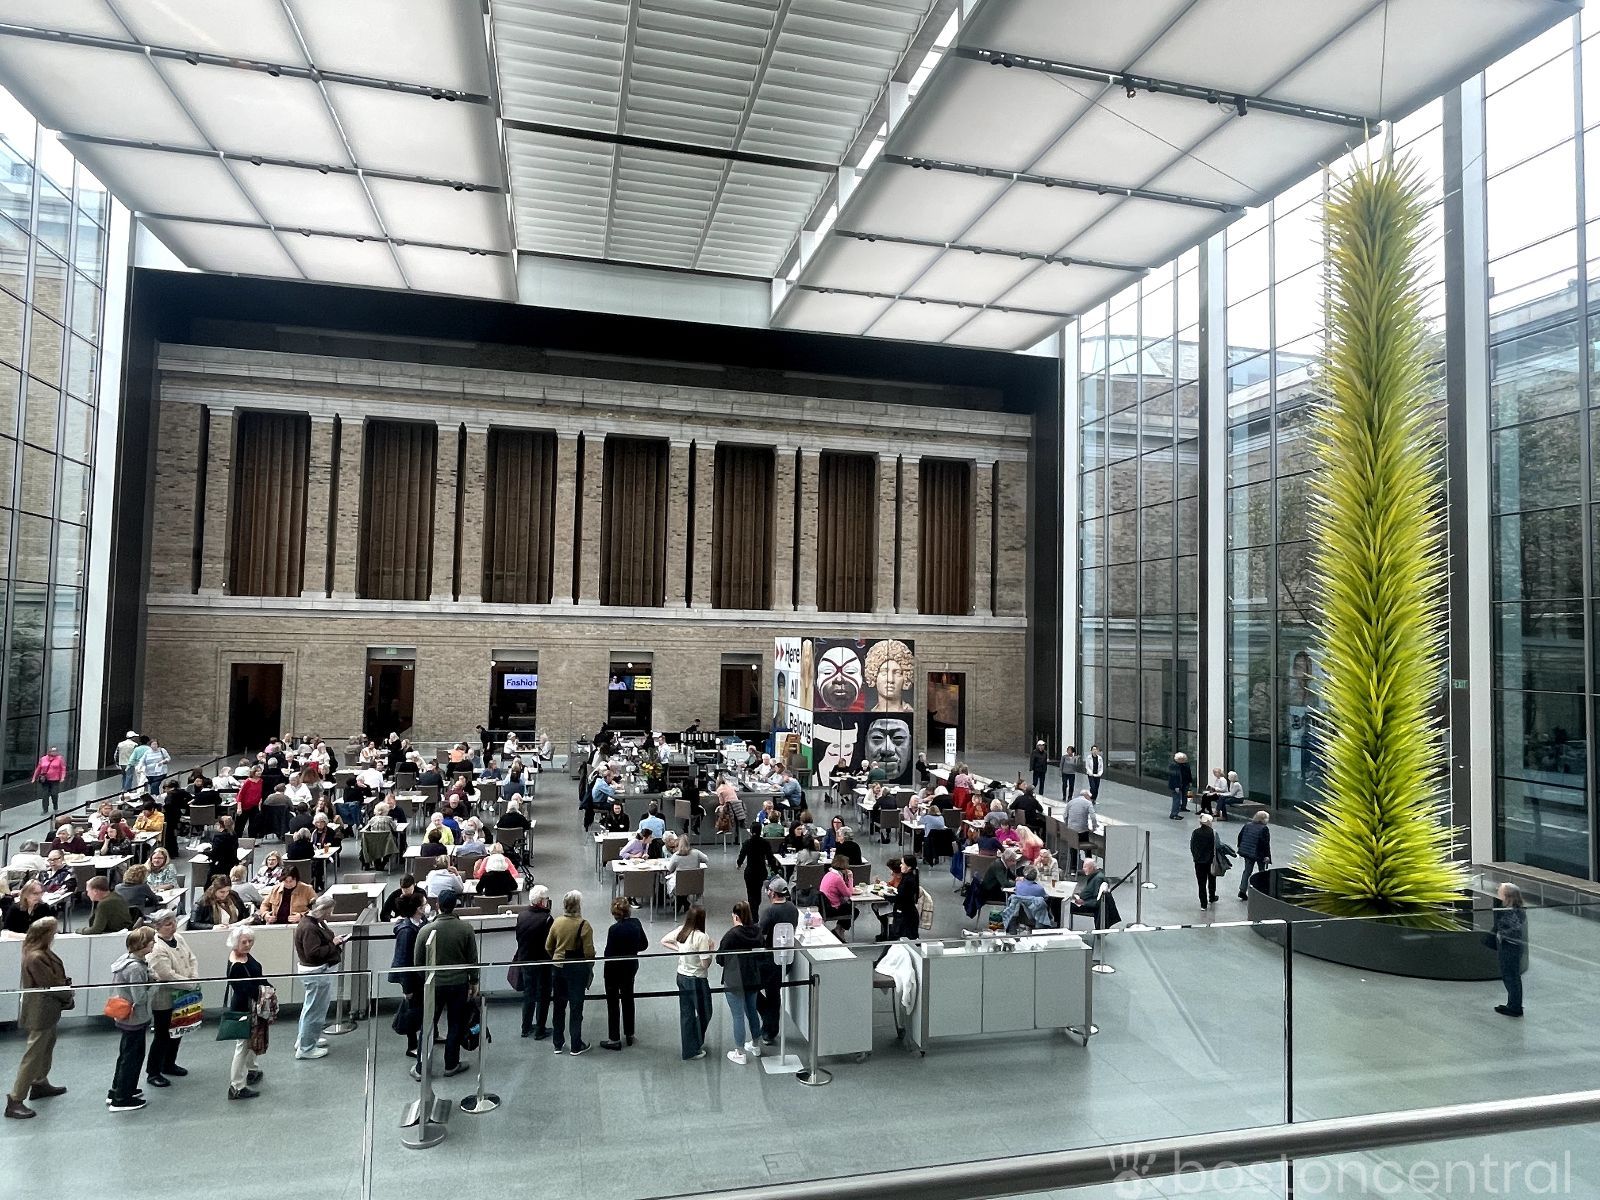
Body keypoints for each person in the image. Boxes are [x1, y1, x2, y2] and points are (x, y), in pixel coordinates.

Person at [5, 917, 71, 1119]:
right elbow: (50, 984)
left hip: (48, 1010)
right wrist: (67, 994)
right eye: (53, 932)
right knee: (33, 1055)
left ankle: (40, 1082)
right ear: (45, 935)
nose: (55, 935)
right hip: (41, 1010)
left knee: (47, 1046)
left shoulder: (39, 952)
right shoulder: (36, 957)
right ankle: (15, 1099)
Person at [415, 892, 479, 1078]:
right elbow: (472, 959)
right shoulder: (466, 929)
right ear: (455, 906)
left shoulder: (425, 930)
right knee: (455, 1024)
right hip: (459, 984)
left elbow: (418, 963)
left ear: (437, 905)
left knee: (428, 1025)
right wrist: (473, 981)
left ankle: (421, 1068)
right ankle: (451, 1064)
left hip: (434, 985)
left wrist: (427, 979)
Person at [145, 911, 198, 1087]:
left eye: (174, 922)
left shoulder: (179, 938)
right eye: (168, 924)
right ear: (157, 927)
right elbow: (166, 975)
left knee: (178, 1030)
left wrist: (193, 976)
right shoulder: (156, 947)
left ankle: (169, 1064)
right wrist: (190, 984)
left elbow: (192, 958)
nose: (173, 926)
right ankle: (153, 1072)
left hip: (183, 994)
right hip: (164, 998)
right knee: (162, 1035)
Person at [107, 926, 157, 1112]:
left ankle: (118, 1089)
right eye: (151, 941)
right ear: (142, 944)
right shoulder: (135, 968)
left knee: (125, 1055)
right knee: (132, 1058)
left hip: (126, 1017)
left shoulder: (126, 961)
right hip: (135, 1018)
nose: (154, 943)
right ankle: (122, 1098)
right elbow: (140, 998)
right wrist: (155, 985)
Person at [292, 893, 347, 1060]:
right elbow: (313, 953)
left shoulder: (313, 922)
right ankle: (306, 1048)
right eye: (329, 912)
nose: (330, 915)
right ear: (322, 910)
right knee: (315, 1011)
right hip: (316, 973)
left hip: (315, 972)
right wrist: (334, 944)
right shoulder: (309, 928)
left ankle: (306, 1039)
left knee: (310, 1008)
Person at [661, 904, 715, 1060]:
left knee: (687, 1014)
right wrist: (711, 950)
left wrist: (679, 949)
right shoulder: (701, 937)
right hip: (697, 979)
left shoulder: (681, 931)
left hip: (682, 976)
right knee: (705, 1012)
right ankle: (695, 1043)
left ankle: (688, 1049)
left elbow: (664, 941)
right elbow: (705, 964)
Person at [545, 890, 595, 1056]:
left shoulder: (557, 922)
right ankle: (576, 1044)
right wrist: (590, 967)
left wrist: (556, 958)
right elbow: (589, 952)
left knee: (559, 1007)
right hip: (576, 970)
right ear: (578, 906)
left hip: (558, 968)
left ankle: (557, 1043)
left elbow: (548, 946)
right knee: (576, 1007)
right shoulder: (584, 925)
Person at [717, 901, 765, 1065]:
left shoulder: (731, 935)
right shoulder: (757, 932)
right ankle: (756, 1045)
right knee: (752, 1011)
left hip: (734, 979)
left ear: (736, 917)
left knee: (738, 1016)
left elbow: (720, 958)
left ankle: (740, 1052)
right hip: (753, 977)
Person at [223, 926, 267, 1101]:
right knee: (242, 1046)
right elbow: (248, 989)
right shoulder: (237, 965)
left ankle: (252, 1070)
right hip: (245, 1008)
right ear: (236, 942)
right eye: (244, 942)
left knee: (248, 1042)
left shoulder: (241, 955)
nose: (248, 944)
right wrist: (266, 992)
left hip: (248, 1006)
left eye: (250, 941)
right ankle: (236, 1086)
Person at [599, 896, 648, 1051]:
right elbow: (644, 944)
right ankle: (629, 1033)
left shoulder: (613, 930)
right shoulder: (636, 924)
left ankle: (614, 1038)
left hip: (613, 970)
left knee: (613, 1003)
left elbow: (608, 953)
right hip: (630, 966)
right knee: (628, 998)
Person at [756, 878, 798, 1045]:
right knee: (774, 993)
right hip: (787, 958)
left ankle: (769, 1024)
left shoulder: (769, 911)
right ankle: (770, 1028)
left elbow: (760, 934)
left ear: (772, 893)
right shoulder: (793, 908)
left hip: (770, 959)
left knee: (751, 987)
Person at [514, 886, 555, 1039]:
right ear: (541, 901)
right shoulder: (547, 919)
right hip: (542, 962)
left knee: (528, 993)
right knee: (543, 995)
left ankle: (525, 1027)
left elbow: (518, 937)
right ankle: (540, 1029)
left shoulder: (521, 916)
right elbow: (550, 943)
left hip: (525, 960)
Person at [389, 893, 425, 1058]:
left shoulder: (420, 923)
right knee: (413, 1011)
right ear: (418, 909)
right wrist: (407, 988)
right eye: (423, 904)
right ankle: (412, 1046)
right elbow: (403, 960)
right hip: (412, 979)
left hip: (420, 976)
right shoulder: (407, 932)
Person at [1488, 883, 1527, 1018]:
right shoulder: (1515, 909)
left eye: (1500, 891)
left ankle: (1515, 1007)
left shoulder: (1512, 912)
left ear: (1507, 896)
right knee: (1511, 976)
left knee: (1511, 977)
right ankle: (1513, 1004)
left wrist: (1501, 934)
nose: (1498, 892)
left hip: (1510, 947)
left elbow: (1511, 929)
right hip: (1511, 946)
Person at [736, 825, 781, 913]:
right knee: (758, 891)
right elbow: (770, 858)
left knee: (750, 892)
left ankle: (753, 911)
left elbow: (742, 855)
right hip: (761, 871)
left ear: (751, 831)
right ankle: (755, 908)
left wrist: (739, 864)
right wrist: (775, 870)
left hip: (749, 872)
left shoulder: (747, 843)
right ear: (760, 831)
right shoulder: (765, 843)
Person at [663, 834, 709, 908]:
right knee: (686, 883)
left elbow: (670, 869)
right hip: (695, 884)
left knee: (672, 882)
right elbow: (706, 859)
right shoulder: (696, 852)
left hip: (679, 885)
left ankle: (681, 902)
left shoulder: (676, 856)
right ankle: (684, 902)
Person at [1235, 811, 1272, 900]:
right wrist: (1267, 856)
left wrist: (1240, 847)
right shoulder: (1264, 829)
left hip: (1248, 853)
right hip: (1259, 853)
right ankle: (1261, 890)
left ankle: (1242, 890)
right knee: (1262, 871)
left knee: (1247, 871)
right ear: (1263, 819)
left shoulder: (1247, 825)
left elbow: (1240, 837)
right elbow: (1265, 844)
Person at [818, 853, 856, 936]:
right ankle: (839, 930)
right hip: (833, 908)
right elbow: (848, 893)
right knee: (854, 910)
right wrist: (850, 878)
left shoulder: (829, 874)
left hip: (825, 906)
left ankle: (839, 930)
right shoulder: (837, 878)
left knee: (849, 906)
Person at [1190, 813, 1219, 910]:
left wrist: (1196, 857)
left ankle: (1203, 904)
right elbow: (1217, 846)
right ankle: (1212, 896)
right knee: (1212, 879)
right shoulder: (1213, 833)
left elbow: (1192, 846)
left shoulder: (1195, 832)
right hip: (1210, 861)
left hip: (1199, 861)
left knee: (1201, 883)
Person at [30, 746, 66, 815]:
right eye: (53, 751)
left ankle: (55, 806)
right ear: (49, 752)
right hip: (45, 779)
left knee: (54, 794)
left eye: (56, 751)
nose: (54, 752)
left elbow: (63, 769)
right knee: (45, 795)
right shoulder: (43, 759)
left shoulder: (60, 759)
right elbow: (38, 768)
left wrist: (62, 777)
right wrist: (34, 778)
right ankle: (45, 809)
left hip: (55, 779)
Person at [1168, 751, 1194, 820]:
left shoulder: (1185, 765)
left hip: (1185, 783)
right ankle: (1174, 814)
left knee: (1185, 796)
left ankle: (1183, 807)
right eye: (1183, 759)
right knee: (1176, 800)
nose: (1185, 760)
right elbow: (1174, 777)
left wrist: (1190, 781)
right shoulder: (1174, 766)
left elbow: (1189, 773)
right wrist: (1176, 786)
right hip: (1177, 785)